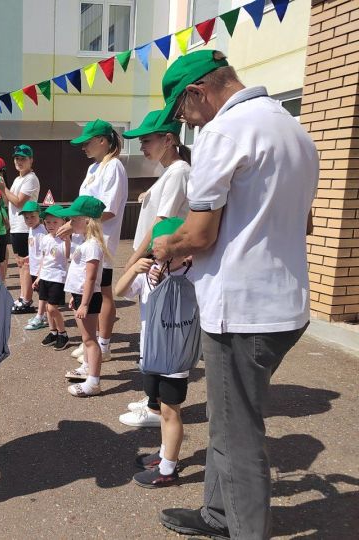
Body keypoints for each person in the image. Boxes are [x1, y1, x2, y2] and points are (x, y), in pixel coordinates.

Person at [150, 50, 319, 539]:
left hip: (241, 310)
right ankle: (218, 514)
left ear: (199, 92)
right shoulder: (293, 129)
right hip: (285, 303)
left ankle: (242, 528)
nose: (183, 122)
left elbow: (199, 236)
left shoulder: (223, 132)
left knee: (235, 433)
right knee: (234, 418)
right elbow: (300, 221)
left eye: (181, 112)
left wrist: (166, 243)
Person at [117, 110, 191, 428]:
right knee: (149, 331)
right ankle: (153, 401)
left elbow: (161, 225)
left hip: (161, 264)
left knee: (157, 335)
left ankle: (157, 408)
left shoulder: (178, 172)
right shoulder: (169, 172)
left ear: (169, 139)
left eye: (148, 140)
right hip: (155, 263)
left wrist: (132, 261)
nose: (143, 146)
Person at [114, 219, 192, 489]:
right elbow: (119, 291)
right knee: (159, 408)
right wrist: (133, 268)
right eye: (158, 249)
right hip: (150, 354)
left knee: (171, 412)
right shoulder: (148, 274)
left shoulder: (192, 274)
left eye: (171, 250)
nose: (162, 255)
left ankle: (168, 468)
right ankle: (163, 453)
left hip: (175, 357)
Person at [59, 120, 128, 364]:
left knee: (103, 292)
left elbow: (109, 210)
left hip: (101, 241)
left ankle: (103, 344)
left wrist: (75, 225)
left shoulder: (114, 167)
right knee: (87, 290)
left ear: (102, 140)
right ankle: (90, 340)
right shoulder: (94, 169)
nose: (83, 147)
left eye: (87, 142)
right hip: (85, 239)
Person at [59, 196, 109, 397]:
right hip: (81, 296)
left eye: (73, 220)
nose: (70, 223)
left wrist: (85, 303)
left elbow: (90, 278)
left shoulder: (93, 245)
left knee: (90, 340)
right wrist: (76, 297)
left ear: (87, 220)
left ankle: (94, 382)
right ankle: (87, 367)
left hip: (88, 298)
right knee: (86, 337)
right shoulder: (87, 242)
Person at [0, 145, 40, 313]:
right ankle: (23, 296)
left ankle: (26, 299)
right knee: (21, 263)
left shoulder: (31, 179)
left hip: (26, 227)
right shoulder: (19, 179)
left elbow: (19, 202)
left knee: (25, 263)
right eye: (17, 158)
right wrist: (1, 187)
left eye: (23, 158)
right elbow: (7, 201)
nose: (19, 161)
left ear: (31, 160)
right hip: (17, 226)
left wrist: (2, 188)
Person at [34, 204, 72, 351]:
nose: (51, 225)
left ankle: (63, 334)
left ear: (63, 222)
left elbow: (68, 255)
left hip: (57, 277)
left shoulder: (64, 239)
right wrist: (39, 276)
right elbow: (44, 258)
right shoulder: (45, 238)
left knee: (52, 308)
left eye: (55, 222)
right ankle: (53, 332)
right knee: (47, 309)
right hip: (45, 277)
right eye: (48, 222)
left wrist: (67, 239)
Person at [19, 201, 48, 327]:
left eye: (32, 217)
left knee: (43, 295)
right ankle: (46, 316)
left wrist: (41, 272)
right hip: (34, 268)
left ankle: (40, 316)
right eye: (26, 218)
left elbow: (45, 252)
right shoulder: (32, 229)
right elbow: (34, 249)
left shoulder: (41, 231)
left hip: (41, 270)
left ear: (39, 216)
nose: (29, 220)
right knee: (40, 294)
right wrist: (29, 256)